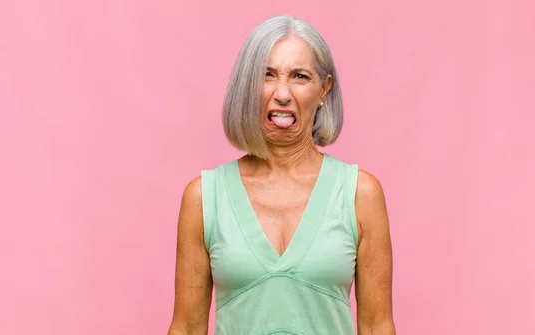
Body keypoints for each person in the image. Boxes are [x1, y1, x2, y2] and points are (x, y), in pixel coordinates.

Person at [168, 14, 395, 335]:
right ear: (247, 86)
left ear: (323, 90)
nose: (283, 94)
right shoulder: (204, 197)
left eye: (300, 76)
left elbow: (376, 326)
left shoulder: (361, 193)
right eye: (267, 75)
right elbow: (187, 327)